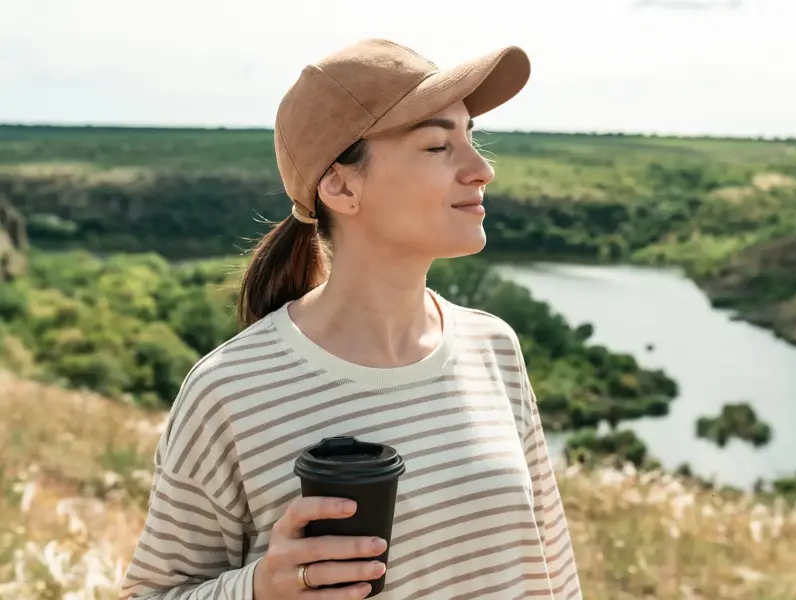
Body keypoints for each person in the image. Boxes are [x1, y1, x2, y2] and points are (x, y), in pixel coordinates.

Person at [120, 38, 581, 599]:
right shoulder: (230, 391)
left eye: (471, 138)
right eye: (438, 145)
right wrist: (260, 590)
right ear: (341, 185)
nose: (482, 169)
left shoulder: (494, 347)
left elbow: (552, 570)